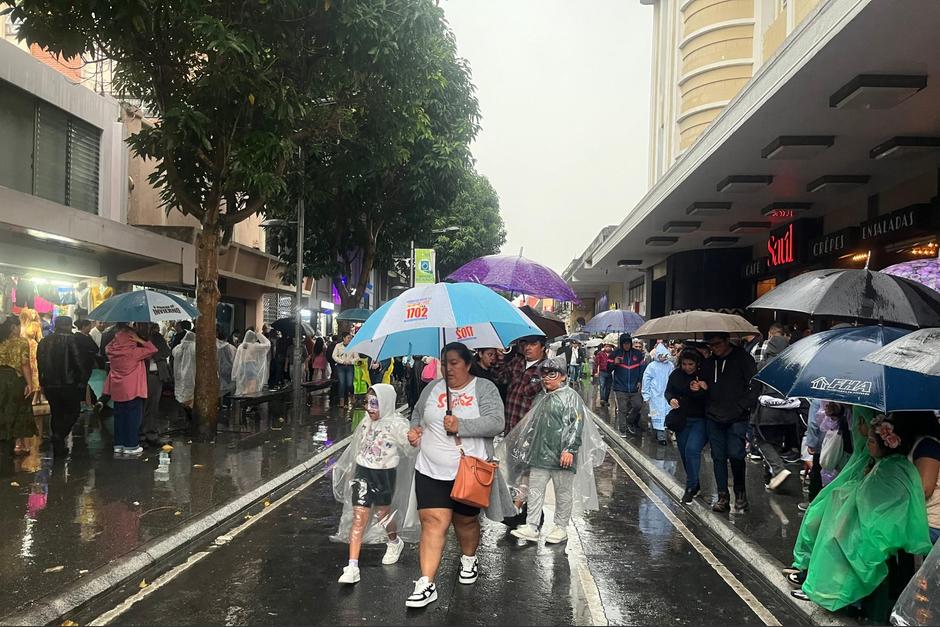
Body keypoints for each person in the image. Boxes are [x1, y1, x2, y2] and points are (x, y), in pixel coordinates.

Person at [404, 342, 514, 608]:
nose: (448, 368)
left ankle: (468, 558)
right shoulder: (432, 388)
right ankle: (427, 582)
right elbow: (418, 414)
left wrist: (461, 425)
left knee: (465, 522)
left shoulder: (484, 388)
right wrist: (415, 429)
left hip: (468, 470)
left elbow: (497, 422)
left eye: (454, 362)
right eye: (445, 363)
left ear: (467, 363)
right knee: (433, 523)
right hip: (430, 469)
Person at [795, 413, 931, 620]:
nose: (867, 445)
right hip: (876, 533)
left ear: (886, 444)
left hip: (879, 537)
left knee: (850, 550)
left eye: (871, 441)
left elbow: (874, 505)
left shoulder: (892, 471)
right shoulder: (888, 466)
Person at [501, 356, 606, 544]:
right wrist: (526, 444)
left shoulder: (571, 397)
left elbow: (576, 424)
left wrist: (569, 450)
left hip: (562, 457)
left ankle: (560, 526)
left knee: (563, 492)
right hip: (539, 455)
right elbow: (532, 424)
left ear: (563, 376)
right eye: (544, 374)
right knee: (535, 491)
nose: (546, 378)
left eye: (552, 374)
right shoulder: (542, 397)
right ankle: (531, 525)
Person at [332, 384, 418, 584]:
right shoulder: (365, 422)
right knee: (359, 517)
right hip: (363, 473)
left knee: (383, 514)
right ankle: (352, 566)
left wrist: (414, 440)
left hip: (384, 475)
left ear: (386, 403)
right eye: (368, 403)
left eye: (375, 403)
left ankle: (394, 541)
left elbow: (410, 449)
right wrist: (351, 473)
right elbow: (357, 449)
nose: (370, 408)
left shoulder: (397, 424)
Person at [700, 332, 757, 513]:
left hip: (736, 416)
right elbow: (704, 385)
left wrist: (742, 406)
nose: (714, 348)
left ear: (727, 341)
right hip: (714, 416)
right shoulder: (708, 363)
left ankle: (740, 493)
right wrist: (699, 388)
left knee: (736, 454)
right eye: (711, 345)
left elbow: (755, 385)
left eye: (717, 344)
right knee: (718, 456)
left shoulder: (743, 359)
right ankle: (723, 495)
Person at [751, 334, 803, 491]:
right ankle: (771, 477)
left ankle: (778, 469)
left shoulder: (763, 365)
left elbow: (755, 389)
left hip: (767, 413)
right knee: (775, 443)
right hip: (788, 414)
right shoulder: (793, 366)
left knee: (761, 441)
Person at [37, 317, 90, 455]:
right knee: (74, 411)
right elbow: (78, 361)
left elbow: (40, 364)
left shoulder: (44, 342)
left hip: (49, 384)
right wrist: (83, 380)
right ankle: (59, 436)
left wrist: (42, 382)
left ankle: (58, 446)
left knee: (56, 413)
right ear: (67, 326)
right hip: (69, 383)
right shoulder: (72, 340)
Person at [104, 324, 157, 456]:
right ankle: (131, 445)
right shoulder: (134, 352)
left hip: (117, 389)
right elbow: (152, 349)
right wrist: (139, 340)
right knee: (133, 418)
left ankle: (119, 444)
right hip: (133, 390)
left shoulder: (111, 351)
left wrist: (118, 337)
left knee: (119, 417)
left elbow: (108, 345)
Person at [665, 349, 709, 503]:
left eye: (691, 364)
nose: (687, 367)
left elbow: (709, 397)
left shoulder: (704, 375)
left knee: (692, 450)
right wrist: (671, 400)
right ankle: (695, 483)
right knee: (684, 453)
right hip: (682, 419)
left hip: (700, 420)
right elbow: (668, 391)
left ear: (697, 363)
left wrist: (701, 389)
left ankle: (690, 487)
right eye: (684, 364)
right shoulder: (676, 375)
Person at [492, 335, 548, 433]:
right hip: (510, 423)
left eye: (533, 344)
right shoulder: (517, 362)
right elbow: (501, 378)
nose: (528, 347)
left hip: (528, 429)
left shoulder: (546, 369)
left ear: (543, 347)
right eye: (526, 344)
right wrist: (500, 358)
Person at [0, 316, 38, 460]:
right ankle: (18, 444)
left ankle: (5, 437)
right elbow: (24, 364)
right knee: (19, 409)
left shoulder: (1, 341)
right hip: (14, 379)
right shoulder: (21, 342)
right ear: (14, 327)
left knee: (2, 409)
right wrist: (30, 383)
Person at [137, 322, 171, 447]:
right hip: (143, 375)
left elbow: (166, 352)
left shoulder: (156, 337)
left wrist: (153, 351)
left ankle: (149, 433)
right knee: (144, 406)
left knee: (152, 406)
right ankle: (143, 434)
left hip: (155, 374)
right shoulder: (136, 338)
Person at [607, 333, 648, 436]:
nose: (627, 345)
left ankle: (629, 421)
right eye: (624, 343)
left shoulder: (637, 354)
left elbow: (641, 369)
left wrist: (639, 381)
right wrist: (614, 363)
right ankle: (622, 430)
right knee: (622, 409)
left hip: (634, 387)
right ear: (621, 344)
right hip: (620, 387)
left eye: (628, 343)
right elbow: (607, 369)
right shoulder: (615, 354)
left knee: (638, 405)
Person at [642, 342, 673, 445]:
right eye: (660, 355)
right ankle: (660, 436)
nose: (663, 357)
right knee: (655, 414)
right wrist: (646, 394)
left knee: (665, 415)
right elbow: (646, 380)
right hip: (655, 396)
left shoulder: (670, 366)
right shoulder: (652, 366)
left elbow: (673, 379)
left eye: (664, 355)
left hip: (666, 395)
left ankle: (661, 434)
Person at [232, 330, 271, 395]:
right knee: (252, 387)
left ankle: (244, 402)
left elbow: (237, 361)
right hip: (251, 366)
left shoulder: (241, 346)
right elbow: (268, 344)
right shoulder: (254, 346)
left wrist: (235, 374)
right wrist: (259, 335)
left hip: (242, 366)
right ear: (253, 338)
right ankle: (249, 403)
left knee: (245, 387)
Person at [172, 330, 196, 410]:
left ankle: (186, 411)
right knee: (191, 395)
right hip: (192, 375)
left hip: (180, 375)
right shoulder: (195, 347)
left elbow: (173, 353)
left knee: (182, 394)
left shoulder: (178, 347)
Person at [332, 333, 358, 408]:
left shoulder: (353, 346)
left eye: (350, 338)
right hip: (340, 366)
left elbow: (357, 357)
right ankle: (342, 400)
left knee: (350, 383)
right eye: (348, 338)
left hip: (350, 366)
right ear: (343, 338)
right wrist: (342, 361)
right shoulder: (338, 346)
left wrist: (351, 361)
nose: (350, 339)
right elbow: (334, 356)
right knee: (342, 383)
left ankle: (352, 394)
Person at [217, 329, 236, 400]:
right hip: (229, 369)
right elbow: (234, 358)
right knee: (228, 388)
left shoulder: (214, 346)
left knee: (219, 387)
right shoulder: (231, 347)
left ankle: (218, 404)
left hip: (218, 370)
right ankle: (227, 403)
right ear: (226, 337)